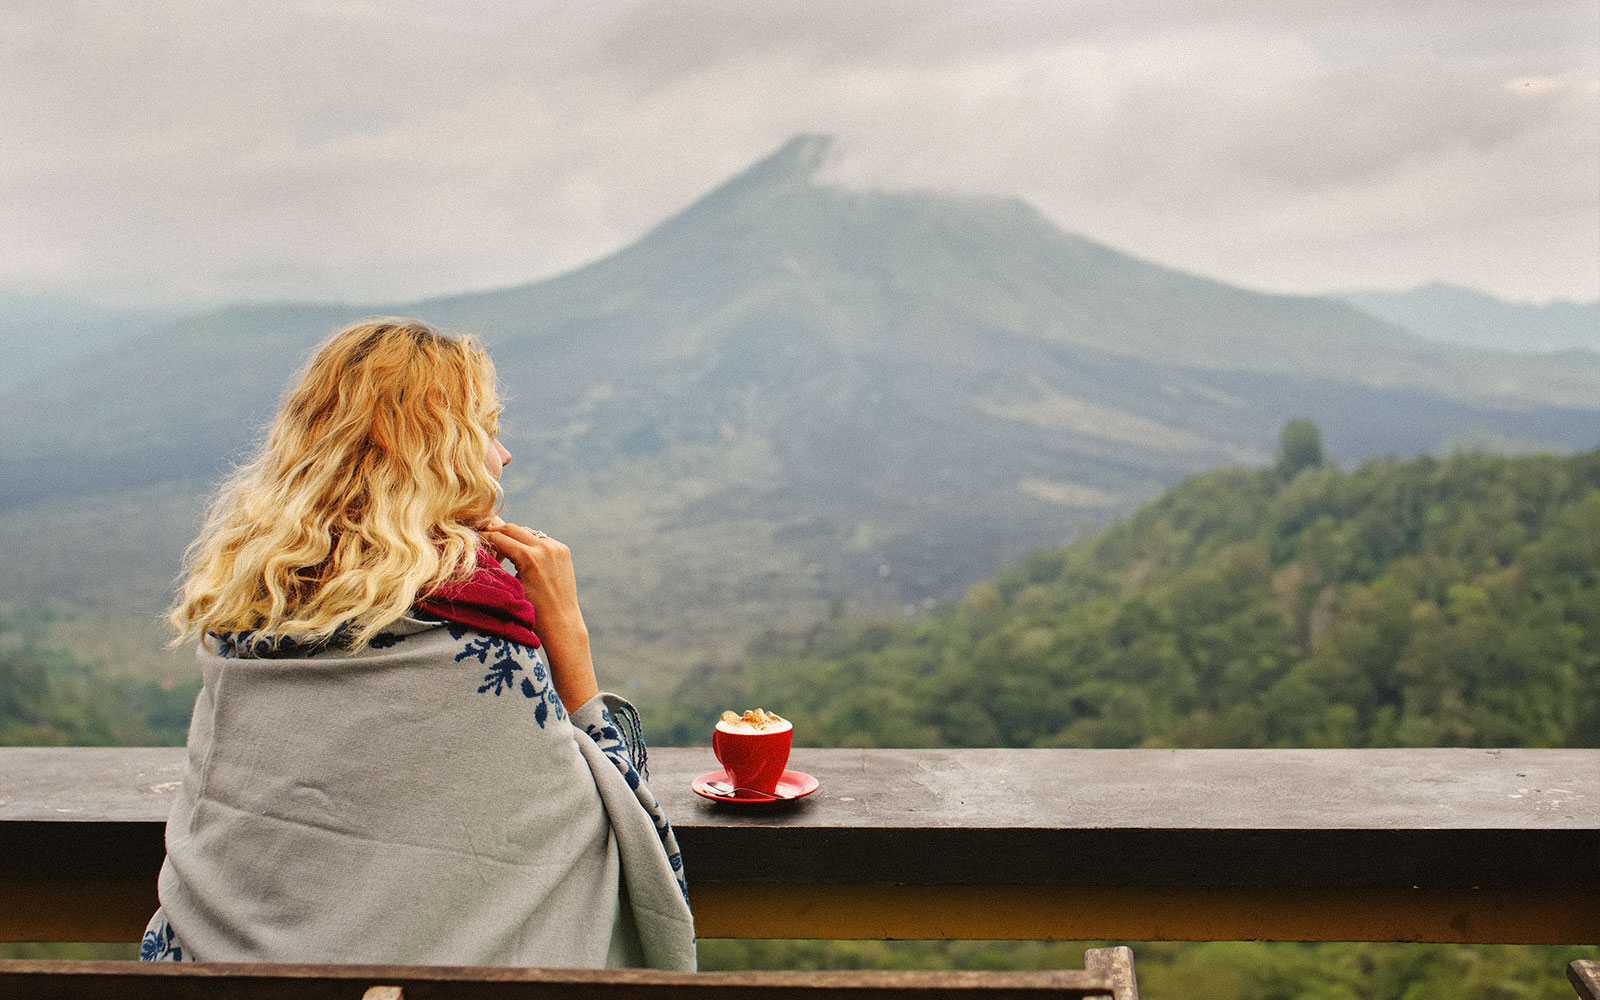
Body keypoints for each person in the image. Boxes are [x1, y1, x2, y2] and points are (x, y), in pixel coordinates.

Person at [140, 319, 696, 969]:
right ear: (443, 452)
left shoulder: (247, 614)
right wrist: (566, 632)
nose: (504, 454)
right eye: (488, 430)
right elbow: (621, 834)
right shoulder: (478, 635)